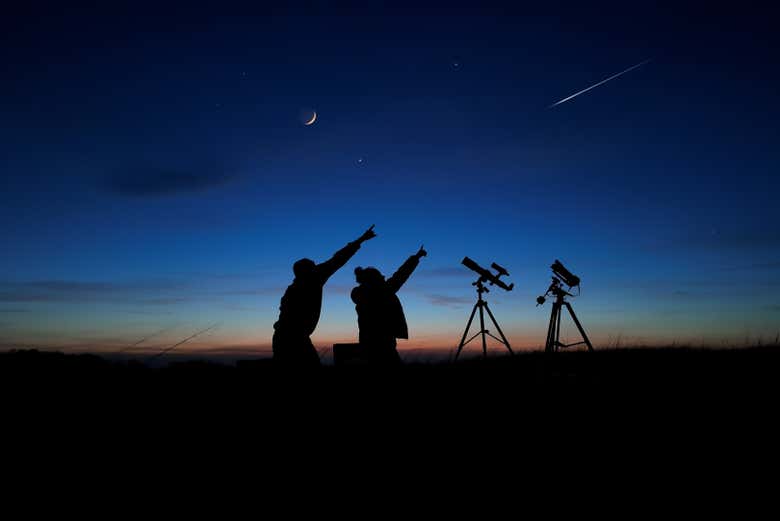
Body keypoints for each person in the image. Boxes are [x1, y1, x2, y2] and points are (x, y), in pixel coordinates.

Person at [273, 225, 377, 365]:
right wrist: (361, 240)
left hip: (286, 337)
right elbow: (338, 259)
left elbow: (337, 259)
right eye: (314, 266)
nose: (318, 267)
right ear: (307, 271)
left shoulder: (293, 288)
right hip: (292, 338)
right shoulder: (311, 281)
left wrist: (360, 240)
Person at [351, 245, 427, 365]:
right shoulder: (382, 292)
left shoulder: (363, 296)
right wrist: (416, 257)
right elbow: (400, 275)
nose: (383, 278)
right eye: (380, 277)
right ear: (374, 280)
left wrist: (416, 257)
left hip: (368, 343)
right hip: (383, 343)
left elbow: (400, 276)